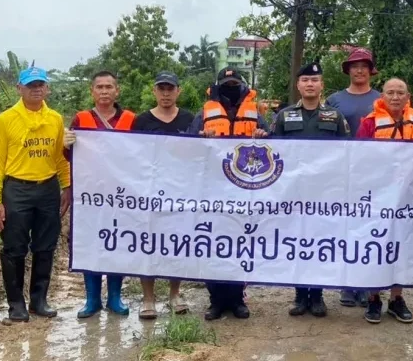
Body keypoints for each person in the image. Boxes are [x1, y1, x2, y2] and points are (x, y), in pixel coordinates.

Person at [0, 66, 72, 322]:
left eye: (40, 85)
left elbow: (60, 158)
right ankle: (16, 304)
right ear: (19, 88)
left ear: (47, 88)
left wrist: (67, 186)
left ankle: (39, 300)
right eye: (31, 85)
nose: (36, 89)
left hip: (47, 188)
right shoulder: (5, 120)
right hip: (17, 189)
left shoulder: (55, 119)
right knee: (14, 247)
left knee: (45, 245)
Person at [188, 68, 269, 321]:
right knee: (213, 244)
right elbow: (187, 145)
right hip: (211, 189)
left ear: (243, 86)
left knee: (241, 245)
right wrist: (200, 138)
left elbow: (275, 144)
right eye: (226, 84)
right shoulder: (204, 113)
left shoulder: (256, 113)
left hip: (245, 189)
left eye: (235, 84)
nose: (230, 88)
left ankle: (236, 298)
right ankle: (216, 299)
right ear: (217, 87)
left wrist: (264, 136)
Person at [272, 62, 350, 318]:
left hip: (324, 194)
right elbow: (274, 153)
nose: (309, 84)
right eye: (305, 80)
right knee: (296, 242)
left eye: (314, 80)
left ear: (321, 85)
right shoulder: (283, 116)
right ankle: (299, 295)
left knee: (319, 243)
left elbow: (348, 153)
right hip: (293, 193)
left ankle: (317, 295)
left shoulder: (335, 117)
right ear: (298, 85)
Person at [64, 71, 135, 319]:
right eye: (100, 87)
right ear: (92, 91)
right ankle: (92, 299)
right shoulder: (81, 119)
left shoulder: (130, 119)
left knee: (117, 241)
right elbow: (70, 157)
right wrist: (66, 145)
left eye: (109, 87)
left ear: (117, 91)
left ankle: (115, 297)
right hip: (89, 195)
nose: (104, 91)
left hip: (121, 195)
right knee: (90, 242)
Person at [356, 77, 413, 324]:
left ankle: (397, 298)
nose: (395, 97)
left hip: (407, 196)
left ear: (408, 97)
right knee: (376, 243)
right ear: (382, 96)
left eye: (400, 93)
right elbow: (357, 158)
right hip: (377, 195)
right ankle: (374, 297)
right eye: (390, 93)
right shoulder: (369, 123)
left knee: (402, 244)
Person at [130, 71, 195, 319]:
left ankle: (175, 294)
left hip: (180, 191)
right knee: (148, 243)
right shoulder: (141, 121)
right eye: (161, 89)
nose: (166, 93)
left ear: (178, 91)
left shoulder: (189, 119)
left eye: (170, 89)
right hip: (149, 191)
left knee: (176, 243)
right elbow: (131, 154)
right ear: (154, 91)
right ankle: (148, 298)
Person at [326, 47, 380, 308]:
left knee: (369, 228)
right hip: (343, 172)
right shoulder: (334, 100)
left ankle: (366, 283)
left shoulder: (382, 99)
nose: (359, 70)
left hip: (375, 173)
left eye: (364, 66)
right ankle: (346, 284)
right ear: (348, 70)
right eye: (355, 66)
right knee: (344, 227)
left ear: (371, 70)